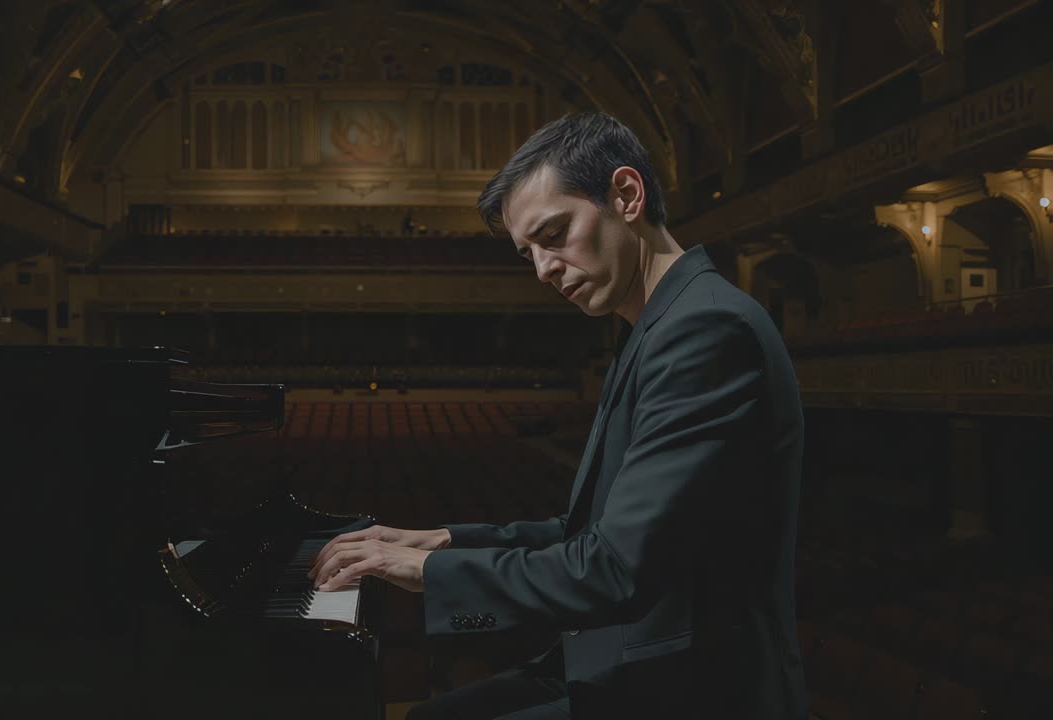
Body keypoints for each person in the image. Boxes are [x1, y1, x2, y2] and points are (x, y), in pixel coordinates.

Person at [308, 111, 807, 719]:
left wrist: (426, 571)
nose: (543, 269)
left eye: (553, 235)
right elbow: (590, 533)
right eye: (529, 253)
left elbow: (615, 570)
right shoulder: (652, 327)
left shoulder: (704, 329)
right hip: (625, 660)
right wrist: (442, 541)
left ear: (626, 195)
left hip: (694, 688)